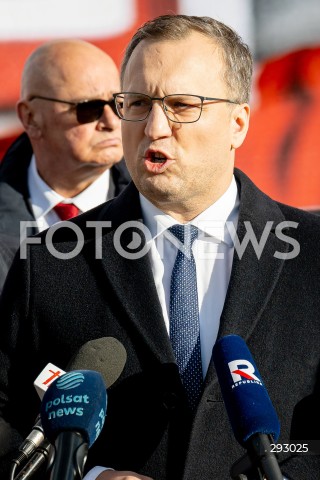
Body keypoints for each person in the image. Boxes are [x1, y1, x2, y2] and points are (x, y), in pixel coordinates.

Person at [0, 14, 320, 480]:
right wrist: (88, 474)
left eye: (181, 105)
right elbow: (9, 424)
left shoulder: (310, 254)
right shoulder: (52, 259)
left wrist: (279, 463)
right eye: (137, 102)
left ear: (238, 123)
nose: (153, 126)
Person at [0, 38, 130, 240]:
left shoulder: (160, 207)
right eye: (88, 108)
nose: (111, 122)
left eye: (119, 103)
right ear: (30, 118)